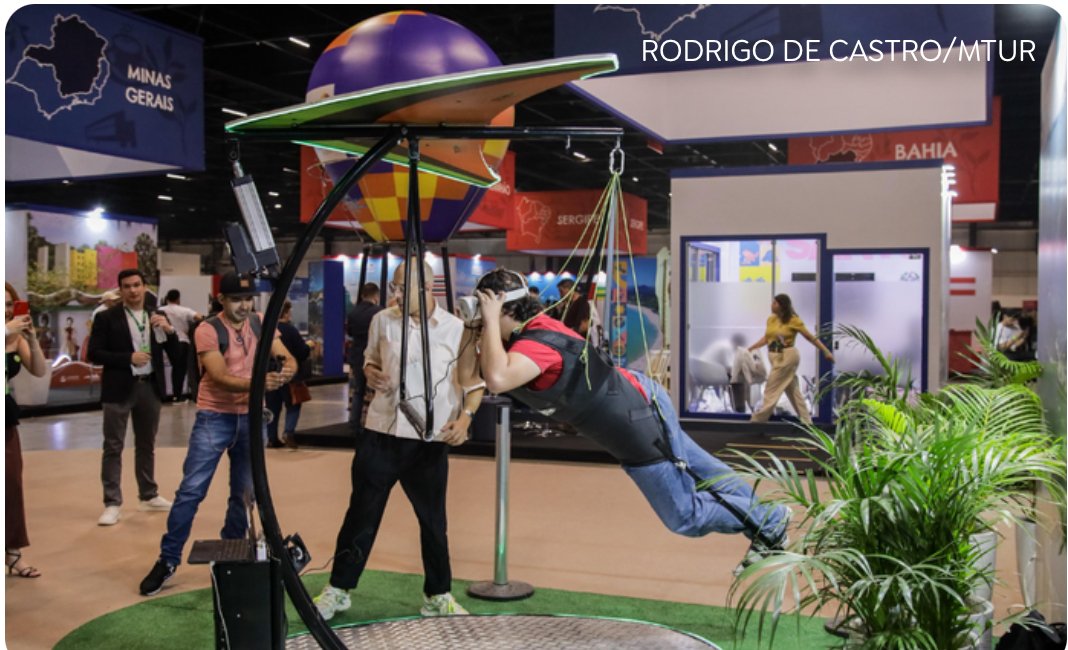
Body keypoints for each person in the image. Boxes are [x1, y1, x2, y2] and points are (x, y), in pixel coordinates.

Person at [471, 268, 789, 576]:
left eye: (480, 305)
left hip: (634, 418)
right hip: (637, 402)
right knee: (706, 471)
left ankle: (770, 521)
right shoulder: (525, 333)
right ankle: (768, 528)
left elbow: (497, 379)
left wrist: (489, 320)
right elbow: (469, 377)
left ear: (499, 306)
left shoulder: (535, 343)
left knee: (684, 515)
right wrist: (475, 329)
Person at [315, 259, 484, 620]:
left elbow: (474, 384)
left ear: (427, 286)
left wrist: (465, 419)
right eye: (394, 287)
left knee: (433, 522)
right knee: (361, 515)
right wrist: (371, 373)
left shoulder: (456, 329)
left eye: (403, 288)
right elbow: (370, 360)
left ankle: (437, 594)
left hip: (429, 440)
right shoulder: (383, 320)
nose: (395, 294)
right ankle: (338, 589)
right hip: (382, 434)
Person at [139, 272, 296, 596]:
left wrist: (286, 370)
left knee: (244, 494)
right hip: (215, 418)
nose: (244, 305)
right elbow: (219, 376)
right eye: (236, 299)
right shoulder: (208, 329)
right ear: (221, 300)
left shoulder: (260, 321)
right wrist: (260, 384)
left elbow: (285, 355)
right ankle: (168, 559)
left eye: (248, 298)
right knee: (191, 491)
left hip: (251, 419)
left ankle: (232, 553)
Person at [88, 269, 178, 526]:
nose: (133, 290)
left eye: (137, 285)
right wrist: (128, 358)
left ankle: (148, 494)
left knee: (147, 444)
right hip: (118, 388)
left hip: (149, 386)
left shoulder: (157, 316)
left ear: (145, 286)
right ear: (120, 290)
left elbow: (175, 353)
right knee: (113, 446)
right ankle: (112, 503)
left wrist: (170, 331)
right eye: (127, 286)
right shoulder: (107, 317)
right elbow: (94, 353)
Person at [5, 283, 47, 578]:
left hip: (6, 417)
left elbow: (39, 370)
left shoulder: (14, 337)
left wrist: (31, 340)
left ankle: (13, 554)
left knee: (11, 485)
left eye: (10, 304)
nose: (7, 310)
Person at [746, 293, 833, 424]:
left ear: (782, 306)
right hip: (774, 355)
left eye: (775, 303)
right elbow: (767, 338)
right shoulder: (771, 319)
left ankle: (757, 421)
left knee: (771, 388)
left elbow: (810, 337)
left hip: (787, 356)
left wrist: (825, 351)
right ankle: (807, 421)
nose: (771, 305)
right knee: (792, 390)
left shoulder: (794, 320)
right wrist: (751, 348)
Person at [265, 300, 311, 448]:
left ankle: (271, 437)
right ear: (285, 313)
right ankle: (288, 431)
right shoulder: (291, 330)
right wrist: (308, 347)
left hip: (270, 372)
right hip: (289, 374)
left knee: (272, 406)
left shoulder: (267, 329)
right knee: (293, 404)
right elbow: (302, 351)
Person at [346, 282, 382, 430]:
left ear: (362, 295)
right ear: (376, 296)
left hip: (357, 356)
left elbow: (349, 332)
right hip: (374, 358)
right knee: (377, 392)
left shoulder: (353, 313)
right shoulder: (378, 313)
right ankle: (373, 424)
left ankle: (354, 423)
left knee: (358, 391)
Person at [157, 289, 203, 403]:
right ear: (178, 299)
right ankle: (177, 395)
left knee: (162, 368)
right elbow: (200, 317)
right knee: (180, 369)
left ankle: (162, 394)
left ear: (167, 298)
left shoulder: (160, 310)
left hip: (163, 341)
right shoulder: (184, 310)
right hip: (182, 341)